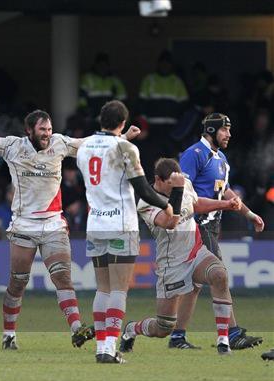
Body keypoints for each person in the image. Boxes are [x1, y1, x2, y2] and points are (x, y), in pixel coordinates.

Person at [0, 108, 140, 350]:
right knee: (17, 283)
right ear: (29, 130)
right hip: (23, 224)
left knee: (63, 277)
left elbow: (91, 145)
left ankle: (76, 329)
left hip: (53, 223)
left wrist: (123, 137)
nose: (47, 134)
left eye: (50, 129)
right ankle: (9, 334)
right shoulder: (13, 146)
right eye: (42, 130)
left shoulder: (60, 143)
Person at [76, 100, 172, 364]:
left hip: (95, 223)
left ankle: (100, 348)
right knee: (119, 290)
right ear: (122, 123)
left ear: (101, 121)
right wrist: (168, 204)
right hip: (121, 224)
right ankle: (108, 349)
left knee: (103, 289)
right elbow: (143, 190)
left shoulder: (84, 147)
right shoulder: (126, 148)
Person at [119, 158, 241, 355]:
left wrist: (226, 204)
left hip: (195, 251)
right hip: (171, 264)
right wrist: (177, 191)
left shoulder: (183, 182)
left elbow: (196, 203)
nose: (176, 187)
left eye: (177, 185)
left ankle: (223, 342)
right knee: (163, 327)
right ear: (158, 180)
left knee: (219, 274)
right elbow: (169, 222)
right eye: (171, 185)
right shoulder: (145, 201)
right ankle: (132, 329)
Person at [172, 113, 264, 350]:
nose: (229, 135)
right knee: (219, 276)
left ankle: (177, 336)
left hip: (212, 226)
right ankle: (232, 333)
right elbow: (184, 193)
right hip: (198, 225)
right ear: (211, 131)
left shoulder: (221, 158)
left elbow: (226, 191)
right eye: (225, 130)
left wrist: (250, 214)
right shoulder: (194, 155)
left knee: (194, 284)